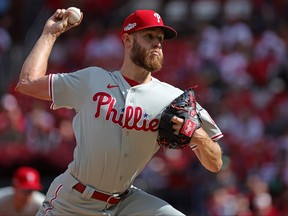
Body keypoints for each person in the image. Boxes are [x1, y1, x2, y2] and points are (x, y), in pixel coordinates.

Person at [15, 8, 223, 215]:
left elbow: (215, 164)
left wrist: (198, 135)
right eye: (149, 36)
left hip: (125, 203)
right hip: (74, 200)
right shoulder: (92, 80)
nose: (157, 43)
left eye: (160, 38)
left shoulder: (173, 99)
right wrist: (50, 34)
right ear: (127, 40)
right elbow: (27, 83)